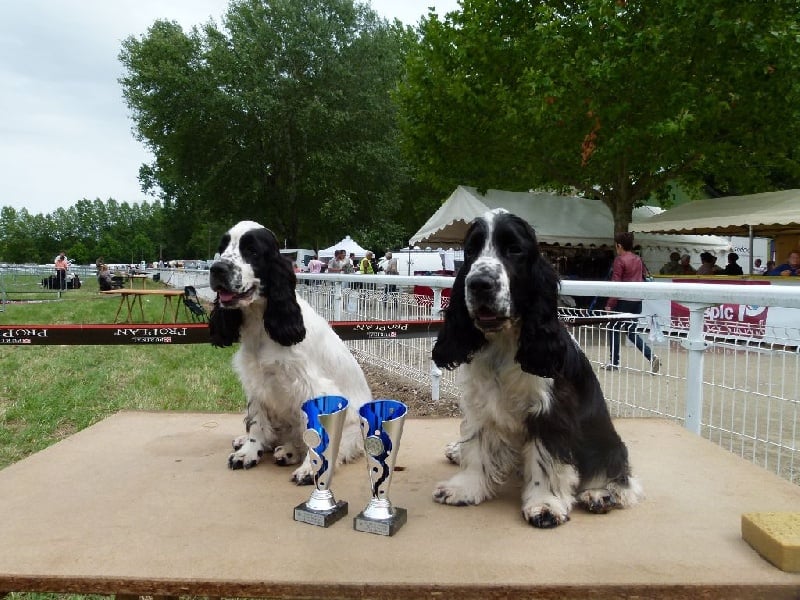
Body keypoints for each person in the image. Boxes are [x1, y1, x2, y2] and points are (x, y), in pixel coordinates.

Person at [603, 232, 660, 373]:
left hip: (623, 300)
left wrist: (609, 304)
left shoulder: (619, 260)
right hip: (637, 300)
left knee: (613, 328)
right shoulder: (638, 259)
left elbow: (616, 284)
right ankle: (651, 356)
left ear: (619, 245)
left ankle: (614, 362)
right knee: (631, 332)